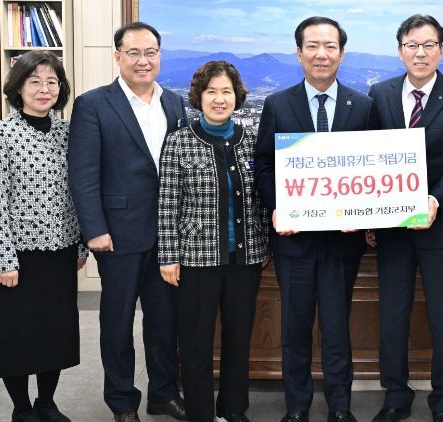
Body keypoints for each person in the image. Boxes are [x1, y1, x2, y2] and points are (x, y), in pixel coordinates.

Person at [67, 22, 187, 422]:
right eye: (133, 53)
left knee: (164, 322)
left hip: (167, 236)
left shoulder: (174, 102)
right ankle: (122, 402)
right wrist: (95, 229)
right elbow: (82, 173)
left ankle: (163, 394)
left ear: (159, 56)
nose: (142, 60)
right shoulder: (93, 104)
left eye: (150, 52)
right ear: (117, 56)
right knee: (117, 325)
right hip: (117, 235)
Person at [255, 16, 371, 422]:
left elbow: (371, 169)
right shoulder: (277, 103)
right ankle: (297, 407)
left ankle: (340, 407)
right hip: (295, 239)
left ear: (341, 53)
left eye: (330, 46)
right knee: (295, 329)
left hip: (343, 240)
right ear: (299, 53)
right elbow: (264, 166)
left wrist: (364, 212)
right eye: (313, 46)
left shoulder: (363, 106)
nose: (321, 54)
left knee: (338, 329)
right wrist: (277, 206)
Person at [366, 14, 443, 422]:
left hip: (440, 227)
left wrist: (434, 200)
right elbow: (367, 156)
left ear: (441, 50)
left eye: (428, 45)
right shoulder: (379, 94)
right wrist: (368, 213)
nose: (420, 52)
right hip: (391, 230)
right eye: (412, 45)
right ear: (400, 50)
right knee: (392, 317)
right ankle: (395, 397)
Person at [0, 50, 86, 422]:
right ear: (18, 88)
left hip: (62, 252)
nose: (44, 89)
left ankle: (47, 403)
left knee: (55, 332)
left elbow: (79, 192)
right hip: (18, 257)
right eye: (35, 81)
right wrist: (2, 260)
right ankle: (22, 409)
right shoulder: (0, 135)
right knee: (18, 334)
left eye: (52, 82)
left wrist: (81, 245)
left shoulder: (68, 133)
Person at [157, 60, 268, 422]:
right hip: (196, 260)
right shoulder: (179, 142)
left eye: (226, 92)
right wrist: (168, 256)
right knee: (195, 342)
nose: (219, 99)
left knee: (239, 338)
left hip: (245, 259)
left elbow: (263, 197)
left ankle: (234, 409)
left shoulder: (251, 140)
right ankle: (201, 413)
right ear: (199, 97)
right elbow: (167, 203)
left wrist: (265, 243)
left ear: (237, 97)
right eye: (211, 92)